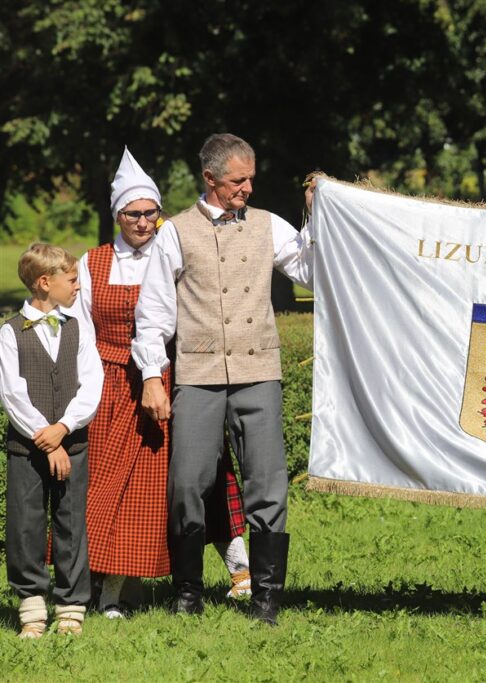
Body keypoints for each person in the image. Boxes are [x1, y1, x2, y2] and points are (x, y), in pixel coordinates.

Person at [132, 133, 314, 624]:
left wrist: (317, 217)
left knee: (268, 484)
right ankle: (187, 593)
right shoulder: (174, 233)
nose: (248, 188)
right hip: (198, 374)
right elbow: (153, 314)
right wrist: (153, 375)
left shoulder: (269, 226)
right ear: (210, 179)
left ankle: (266, 600)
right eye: (238, 180)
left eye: (251, 178)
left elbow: (315, 274)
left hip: (259, 372)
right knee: (187, 483)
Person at [76, 148, 253, 618]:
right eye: (133, 213)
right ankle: (111, 586)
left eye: (150, 212)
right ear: (117, 215)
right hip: (111, 385)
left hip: (173, 377)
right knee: (113, 487)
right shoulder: (92, 262)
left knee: (203, 478)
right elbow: (79, 333)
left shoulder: (174, 246)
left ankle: (241, 571)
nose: (142, 222)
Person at [0, 244, 102, 637]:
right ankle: (31, 607)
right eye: (72, 280)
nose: (78, 286)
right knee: (25, 524)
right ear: (45, 283)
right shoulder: (10, 333)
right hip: (27, 448)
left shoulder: (78, 326)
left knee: (71, 522)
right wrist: (48, 440)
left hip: (72, 443)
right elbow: (13, 393)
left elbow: (91, 382)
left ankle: (72, 606)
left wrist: (65, 428)